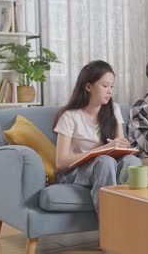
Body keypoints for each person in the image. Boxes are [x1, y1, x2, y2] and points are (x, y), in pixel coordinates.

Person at [53, 60, 141, 212]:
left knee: (132, 161)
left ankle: (130, 220)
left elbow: (119, 144)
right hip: (75, 172)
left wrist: (120, 146)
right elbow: (60, 163)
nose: (109, 91)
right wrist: (103, 149)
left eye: (111, 87)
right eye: (105, 86)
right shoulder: (69, 117)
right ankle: (109, 226)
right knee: (105, 161)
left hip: (107, 168)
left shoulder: (113, 109)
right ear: (88, 86)